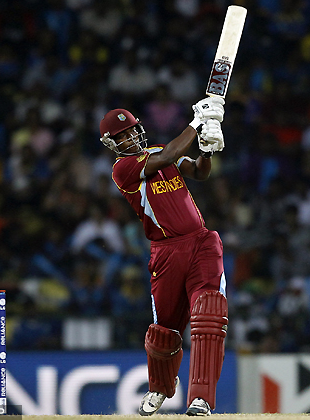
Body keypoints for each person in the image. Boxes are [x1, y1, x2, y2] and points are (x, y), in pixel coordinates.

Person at [99, 96, 227, 416]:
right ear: (111, 144)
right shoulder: (123, 169)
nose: (129, 138)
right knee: (163, 333)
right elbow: (171, 153)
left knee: (209, 312)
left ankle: (201, 397)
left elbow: (198, 172)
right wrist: (197, 123)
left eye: (131, 131)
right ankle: (159, 389)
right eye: (121, 137)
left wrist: (208, 148)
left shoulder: (157, 151)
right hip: (166, 253)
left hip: (201, 243)